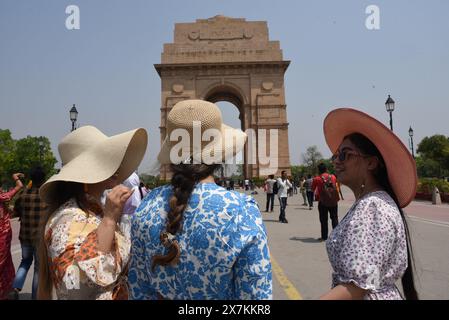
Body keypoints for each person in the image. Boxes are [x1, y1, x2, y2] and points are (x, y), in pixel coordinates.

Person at [129, 100, 272, 300]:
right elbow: (256, 299)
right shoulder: (241, 211)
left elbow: (138, 289)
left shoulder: (147, 206)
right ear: (220, 155)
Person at [38, 125, 147, 300]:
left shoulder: (88, 211)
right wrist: (110, 219)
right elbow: (74, 285)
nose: (116, 165)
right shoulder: (68, 217)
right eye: (106, 159)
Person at [319, 108, 419, 300]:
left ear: (371, 163)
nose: (336, 162)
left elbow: (356, 287)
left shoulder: (372, 207)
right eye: (336, 155)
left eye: (344, 155)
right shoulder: (373, 203)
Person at [9, 167, 47, 300]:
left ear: (32, 179)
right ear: (43, 179)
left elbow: (16, 212)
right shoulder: (47, 196)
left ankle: (15, 288)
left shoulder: (23, 194)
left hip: (25, 236)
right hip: (40, 238)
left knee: (25, 262)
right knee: (38, 268)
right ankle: (35, 297)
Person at [0, 173, 24, 300]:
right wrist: (15, 177)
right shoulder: (2, 196)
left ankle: (7, 291)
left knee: (6, 262)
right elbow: (20, 186)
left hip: (4, 236)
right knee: (4, 263)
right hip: (3, 236)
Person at [312, 163, 339, 241]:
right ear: (326, 169)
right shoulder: (333, 177)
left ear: (319, 170)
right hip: (333, 201)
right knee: (334, 218)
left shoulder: (317, 178)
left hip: (322, 202)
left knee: (323, 220)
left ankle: (324, 237)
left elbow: (312, 188)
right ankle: (336, 236)